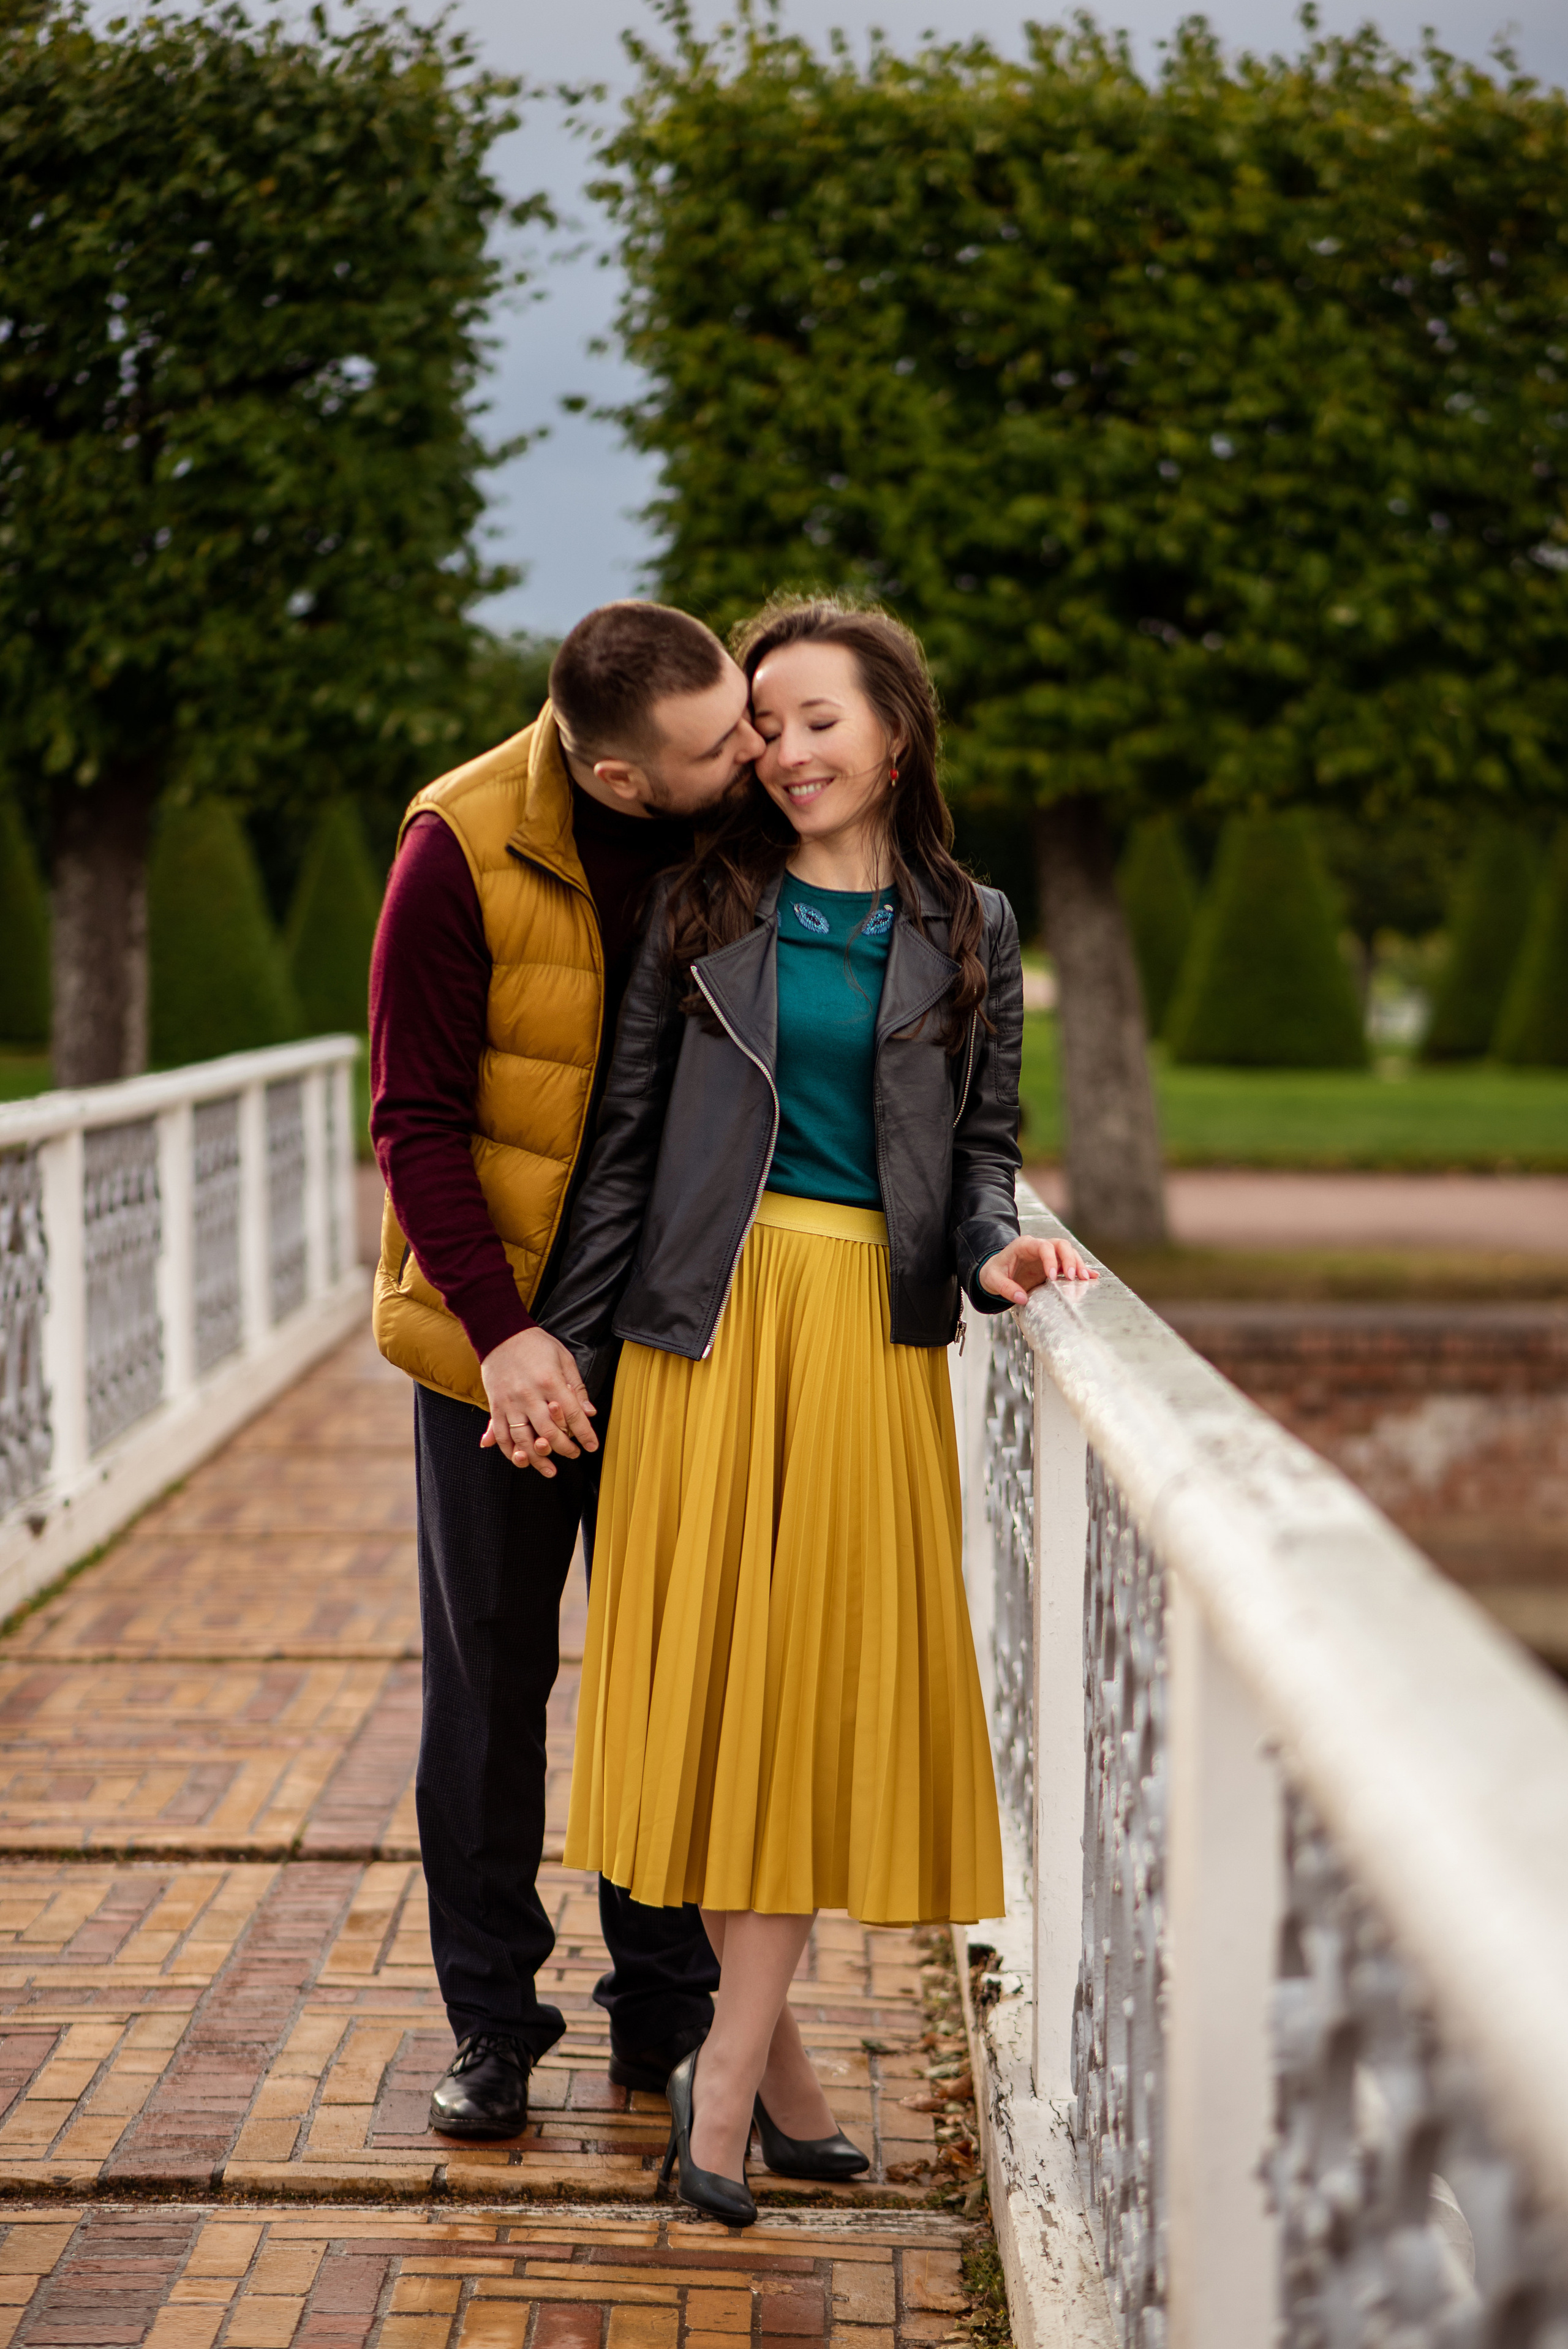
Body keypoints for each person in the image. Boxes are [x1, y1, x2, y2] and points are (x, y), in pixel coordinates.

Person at [520, 596, 1096, 2224]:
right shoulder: (701, 900)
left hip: (862, 1344)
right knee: (711, 1706)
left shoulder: (973, 925)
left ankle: (729, 2080)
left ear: (895, 734)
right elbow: (627, 1145)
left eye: (815, 719)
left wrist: (1001, 1251)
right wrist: (559, 1347)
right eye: (762, 725)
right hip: (703, 1337)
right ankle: (770, 2079)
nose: (782, 750)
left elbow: (979, 1159)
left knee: (795, 1705)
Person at [369, 599, 766, 2140]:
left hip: (679, 1336)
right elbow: (413, 1124)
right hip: (500, 1348)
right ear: (613, 779)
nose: (749, 753)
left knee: (663, 1682)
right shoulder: (453, 848)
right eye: (714, 744)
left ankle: (662, 2024)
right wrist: (504, 1337)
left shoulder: (740, 828)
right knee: (486, 1694)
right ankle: (490, 2028)